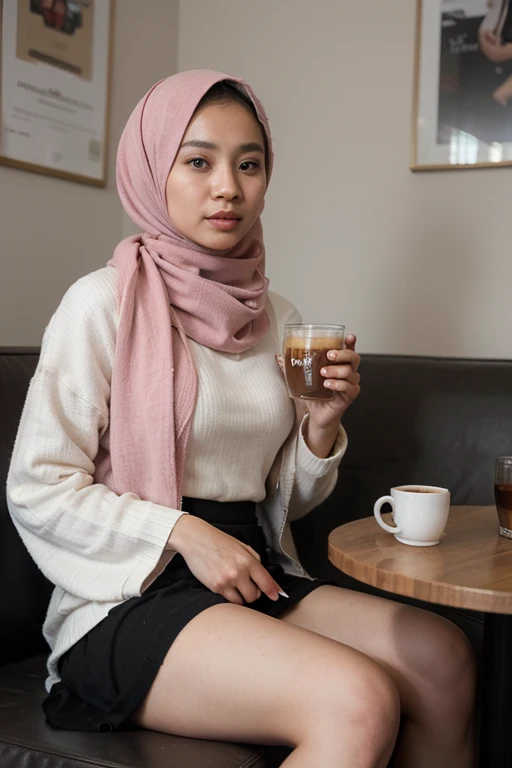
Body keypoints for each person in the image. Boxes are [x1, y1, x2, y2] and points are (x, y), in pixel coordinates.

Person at [7, 70, 476, 768]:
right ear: (150, 172)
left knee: (442, 656)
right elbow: (38, 488)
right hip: (125, 595)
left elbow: (283, 497)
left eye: (248, 163)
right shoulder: (100, 304)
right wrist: (182, 532)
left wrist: (319, 426)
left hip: (250, 566)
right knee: (357, 698)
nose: (228, 186)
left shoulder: (276, 315)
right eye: (197, 161)